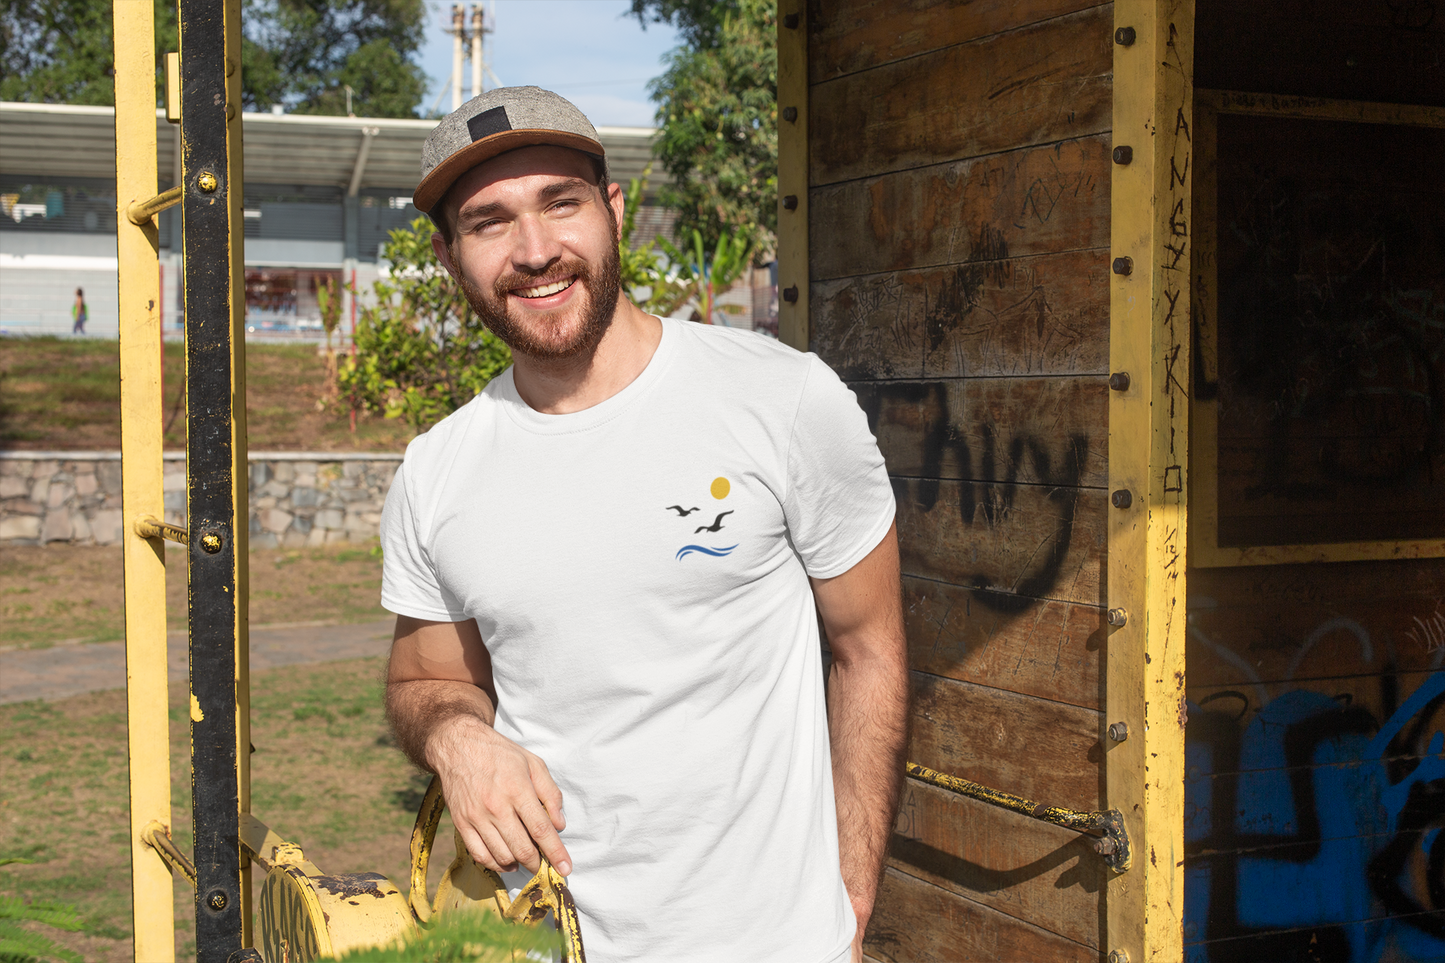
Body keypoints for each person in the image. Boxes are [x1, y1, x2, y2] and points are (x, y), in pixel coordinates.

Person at [380, 86, 909, 963]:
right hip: (543, 942)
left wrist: (848, 909)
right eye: (489, 222)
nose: (536, 250)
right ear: (449, 255)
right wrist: (455, 736)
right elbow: (421, 680)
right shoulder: (438, 470)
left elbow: (869, 648)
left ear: (612, 208)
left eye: (561, 203)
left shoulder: (780, 399)